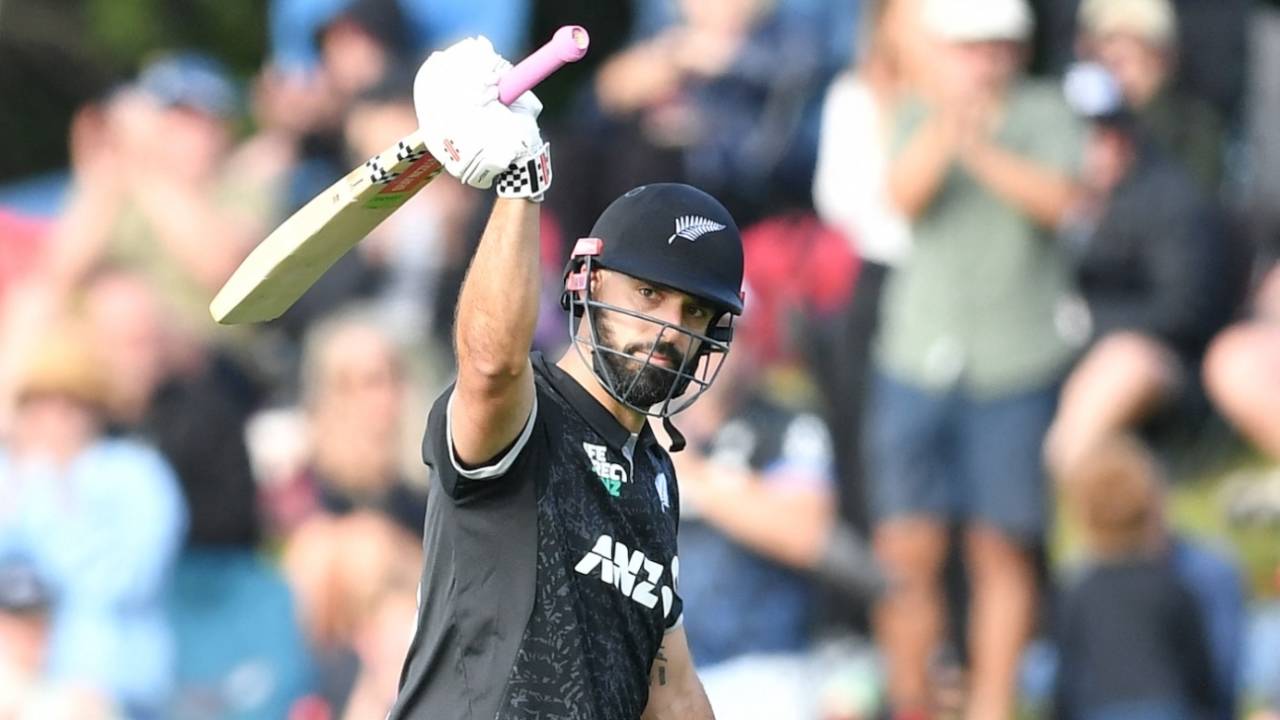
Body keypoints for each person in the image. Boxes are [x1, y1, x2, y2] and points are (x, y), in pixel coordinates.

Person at [390, 37, 743, 719]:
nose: (670, 329)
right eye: (647, 296)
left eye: (693, 310)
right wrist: (521, 188)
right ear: (587, 282)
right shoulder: (532, 418)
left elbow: (671, 693)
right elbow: (492, 363)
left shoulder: (655, 478)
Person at [867, 0, 1086, 716]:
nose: (981, 60)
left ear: (1015, 47)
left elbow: (1063, 203)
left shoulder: (1049, 110)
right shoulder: (915, 110)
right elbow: (902, 195)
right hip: (916, 355)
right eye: (968, 46)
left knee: (1004, 548)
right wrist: (947, 127)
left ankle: (995, 707)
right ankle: (914, 702)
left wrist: (980, 148)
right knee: (905, 551)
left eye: (994, 45)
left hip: (1016, 361)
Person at [1043, 63, 1237, 480]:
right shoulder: (1046, 196)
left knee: (1123, 361)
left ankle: (1055, 481)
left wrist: (1088, 322)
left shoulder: (1173, 199)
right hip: (1052, 362)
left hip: (1166, 370)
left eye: (1097, 132)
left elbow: (1186, 311)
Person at [0, 323, 188, 719]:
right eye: (39, 404)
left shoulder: (136, 474)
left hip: (114, 689)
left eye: (71, 404)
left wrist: (47, 498)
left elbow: (126, 580)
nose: (54, 419)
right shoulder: (8, 474)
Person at [1053, 434, 1220, 720]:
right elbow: (1200, 672)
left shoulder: (1076, 592)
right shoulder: (1173, 586)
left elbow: (1066, 672)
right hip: (1168, 708)